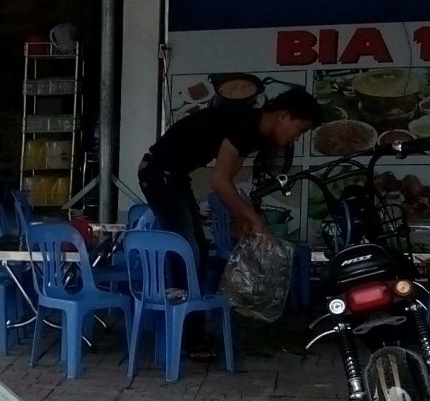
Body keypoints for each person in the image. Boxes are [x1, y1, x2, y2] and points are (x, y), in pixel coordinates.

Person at [137, 84, 322, 280]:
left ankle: (191, 297)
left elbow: (227, 180)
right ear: (284, 115)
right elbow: (219, 182)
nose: (297, 138)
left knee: (199, 253)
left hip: (175, 177)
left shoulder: (255, 133)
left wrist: (242, 217)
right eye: (300, 130)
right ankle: (177, 297)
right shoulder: (245, 124)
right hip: (158, 173)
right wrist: (255, 220)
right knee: (186, 252)